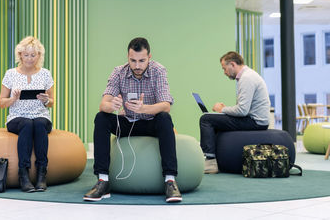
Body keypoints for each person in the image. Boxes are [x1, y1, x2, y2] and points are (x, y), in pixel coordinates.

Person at [83, 37, 182, 203]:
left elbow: (166, 105)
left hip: (151, 123)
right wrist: (112, 105)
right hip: (127, 123)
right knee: (101, 118)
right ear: (127, 57)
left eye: (142, 61)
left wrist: (144, 109)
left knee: (165, 118)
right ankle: (103, 180)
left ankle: (170, 181)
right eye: (133, 60)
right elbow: (103, 105)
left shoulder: (159, 71)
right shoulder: (118, 72)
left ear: (149, 57)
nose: (137, 66)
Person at [200, 51, 270, 174]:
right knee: (214, 118)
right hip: (253, 119)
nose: (224, 72)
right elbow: (243, 108)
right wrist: (226, 110)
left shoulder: (247, 78)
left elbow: (242, 111)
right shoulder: (247, 76)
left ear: (232, 64)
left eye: (224, 68)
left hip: (255, 122)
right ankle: (217, 159)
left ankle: (210, 161)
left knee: (206, 119)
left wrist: (222, 109)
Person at [0, 36, 54, 192]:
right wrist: (13, 98)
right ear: (20, 55)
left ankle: (42, 173)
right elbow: (1, 103)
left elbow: (52, 103)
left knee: (37, 122)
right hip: (17, 118)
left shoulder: (45, 74)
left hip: (41, 117)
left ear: (39, 56)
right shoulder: (10, 74)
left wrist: (46, 100)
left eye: (33, 55)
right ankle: (23, 174)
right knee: (27, 123)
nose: (30, 59)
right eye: (26, 55)